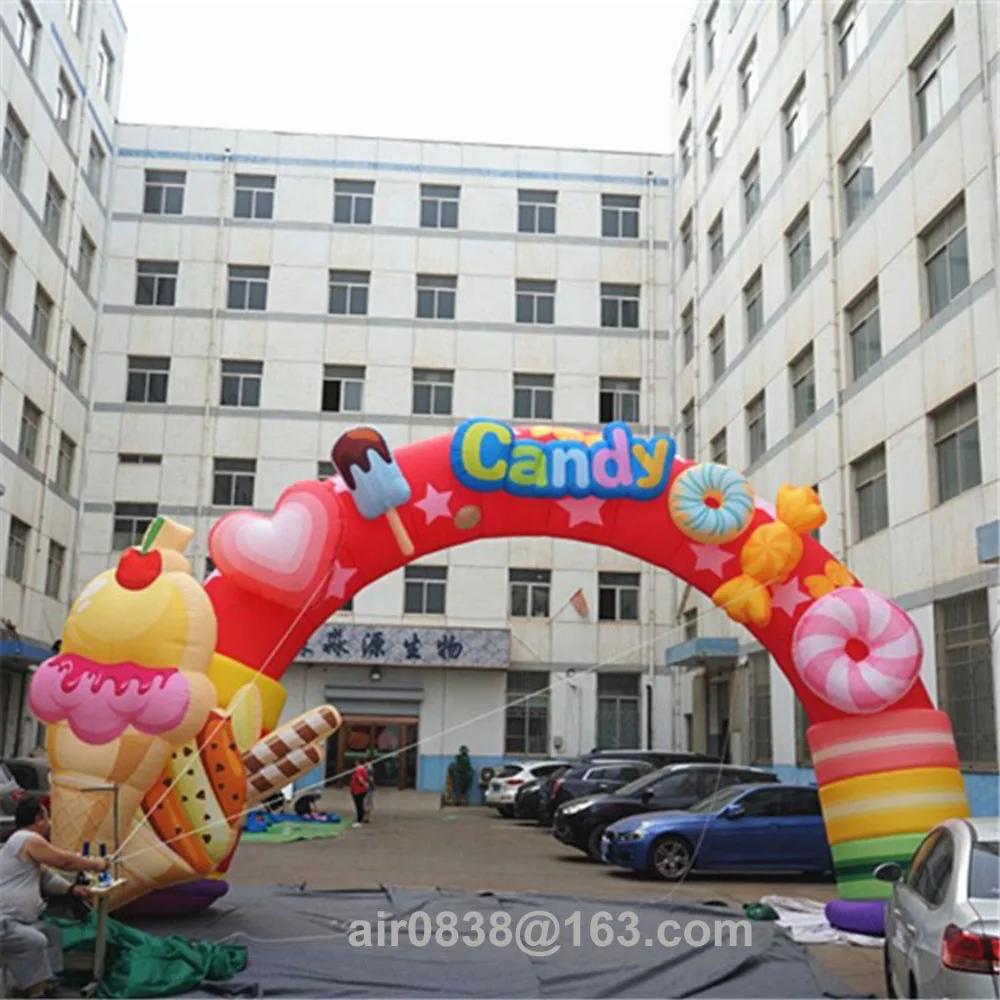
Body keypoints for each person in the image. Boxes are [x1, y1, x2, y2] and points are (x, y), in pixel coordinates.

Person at [0, 800, 110, 998]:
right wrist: (96, 864)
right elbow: (64, 861)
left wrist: (72, 889)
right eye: (46, 816)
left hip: (19, 920)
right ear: (38, 819)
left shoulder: (19, 845)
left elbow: (45, 877)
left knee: (52, 933)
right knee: (35, 940)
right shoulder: (27, 838)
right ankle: (34, 989)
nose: (49, 822)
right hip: (5, 922)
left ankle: (44, 981)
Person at [349, 760, 369, 827]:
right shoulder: (363, 769)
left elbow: (360, 778)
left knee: (359, 806)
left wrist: (365, 784)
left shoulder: (359, 770)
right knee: (360, 805)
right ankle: (360, 819)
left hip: (358, 791)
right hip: (360, 790)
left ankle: (359, 821)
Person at [363, 754, 375, 823]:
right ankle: (366, 817)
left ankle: (367, 818)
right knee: (366, 803)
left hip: (369, 789)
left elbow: (371, 779)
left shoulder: (370, 769)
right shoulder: (366, 769)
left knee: (367, 803)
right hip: (366, 789)